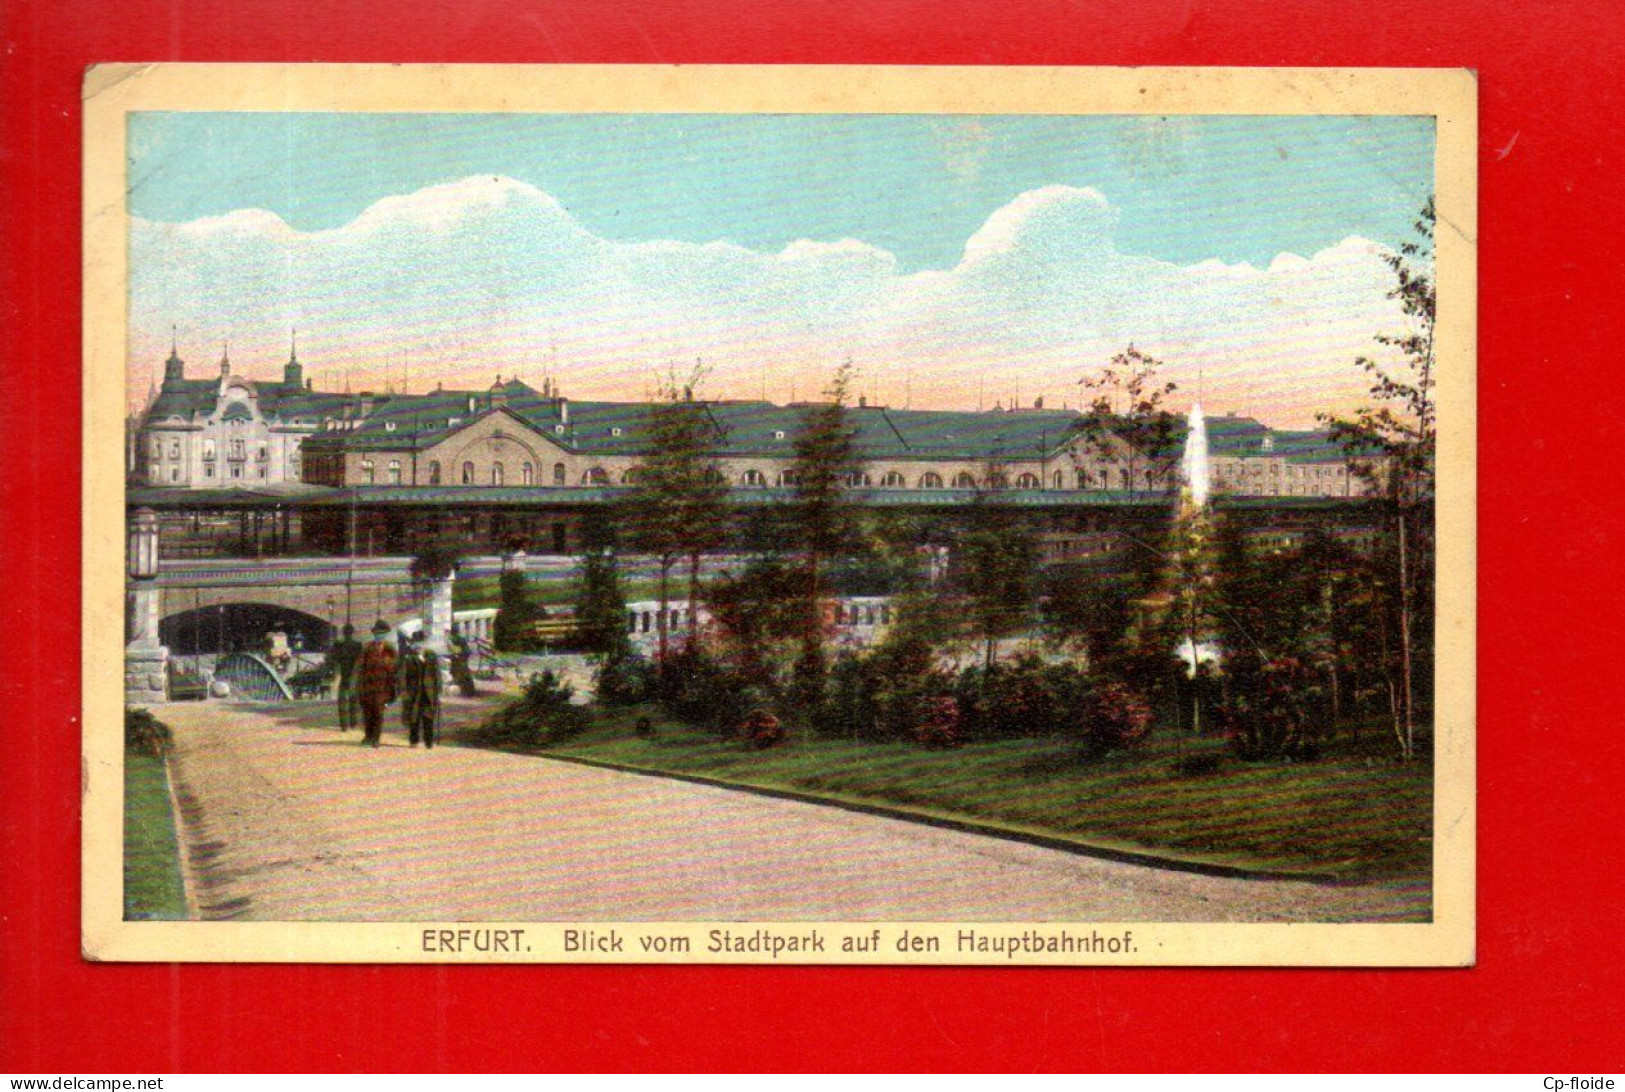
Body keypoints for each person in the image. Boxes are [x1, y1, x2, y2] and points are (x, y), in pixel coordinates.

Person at [356, 620, 398, 747]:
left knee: (378, 712)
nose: (379, 636)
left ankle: (376, 738)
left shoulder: (390, 649)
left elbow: (395, 668)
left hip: (383, 686)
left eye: (381, 634)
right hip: (368, 685)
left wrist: (394, 686)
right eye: (376, 633)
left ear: (385, 634)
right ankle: (368, 736)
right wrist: (359, 684)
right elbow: (360, 666)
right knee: (367, 712)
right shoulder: (367, 648)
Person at [399, 630, 443, 749]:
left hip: (429, 691)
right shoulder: (408, 657)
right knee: (414, 717)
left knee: (428, 717)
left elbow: (437, 674)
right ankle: (413, 741)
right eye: (416, 643)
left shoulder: (431, 656)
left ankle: (428, 742)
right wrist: (404, 691)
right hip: (414, 692)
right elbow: (403, 676)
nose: (418, 646)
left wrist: (438, 689)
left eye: (421, 643)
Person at [327, 623, 363, 732]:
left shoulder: (337, 645)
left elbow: (333, 660)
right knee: (353, 700)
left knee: (342, 700)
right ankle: (353, 723)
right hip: (354, 675)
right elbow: (360, 662)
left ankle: (344, 726)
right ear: (352, 633)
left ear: (343, 632)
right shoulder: (358, 645)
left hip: (342, 674)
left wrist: (336, 676)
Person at [448, 622, 477, 697]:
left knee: (459, 672)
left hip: (459, 658)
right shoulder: (460, 639)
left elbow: (455, 651)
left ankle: (465, 690)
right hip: (463, 658)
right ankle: (468, 690)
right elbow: (466, 650)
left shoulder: (452, 640)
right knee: (464, 673)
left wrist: (456, 655)